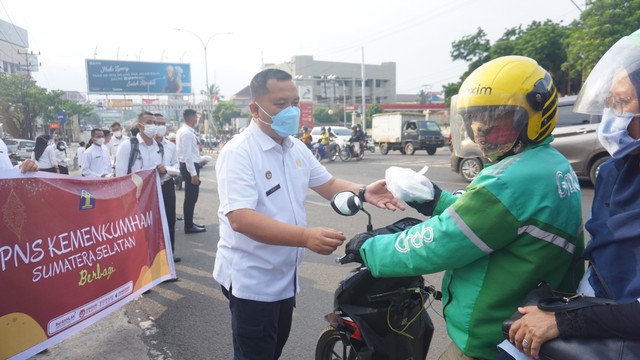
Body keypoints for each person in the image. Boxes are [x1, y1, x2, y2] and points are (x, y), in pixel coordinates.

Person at [344, 56, 585, 360]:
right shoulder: (548, 163)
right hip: (526, 317)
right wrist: (436, 200)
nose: (482, 134)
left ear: (536, 117)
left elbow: (442, 242)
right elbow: (493, 220)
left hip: (492, 338)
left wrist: (370, 248)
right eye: (476, 122)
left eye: (498, 122)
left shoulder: (511, 179)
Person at [213, 68, 403, 360]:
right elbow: (240, 218)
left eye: (295, 103)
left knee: (272, 350)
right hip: (253, 282)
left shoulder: (295, 147)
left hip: (285, 279)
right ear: (255, 108)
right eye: (280, 104)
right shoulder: (239, 152)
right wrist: (305, 237)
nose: (291, 111)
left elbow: (327, 184)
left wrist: (364, 192)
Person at [502, 29, 640, 360]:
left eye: (622, 103)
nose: (611, 115)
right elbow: (603, 260)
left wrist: (565, 321)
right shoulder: (614, 171)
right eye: (610, 101)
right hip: (601, 300)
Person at [154, 113, 181, 263]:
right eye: (157, 123)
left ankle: (170, 253)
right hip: (150, 188)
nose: (160, 126)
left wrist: (166, 169)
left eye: (162, 123)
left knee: (170, 220)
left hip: (167, 185)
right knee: (153, 223)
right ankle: (155, 255)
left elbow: (176, 166)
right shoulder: (146, 147)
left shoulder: (170, 146)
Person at [176, 109, 206, 234]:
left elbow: (190, 154)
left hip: (190, 165)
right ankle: (188, 226)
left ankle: (190, 223)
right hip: (189, 167)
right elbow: (188, 155)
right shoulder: (187, 133)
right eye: (195, 117)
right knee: (191, 197)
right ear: (190, 118)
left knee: (191, 197)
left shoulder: (184, 131)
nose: (196, 120)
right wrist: (193, 173)